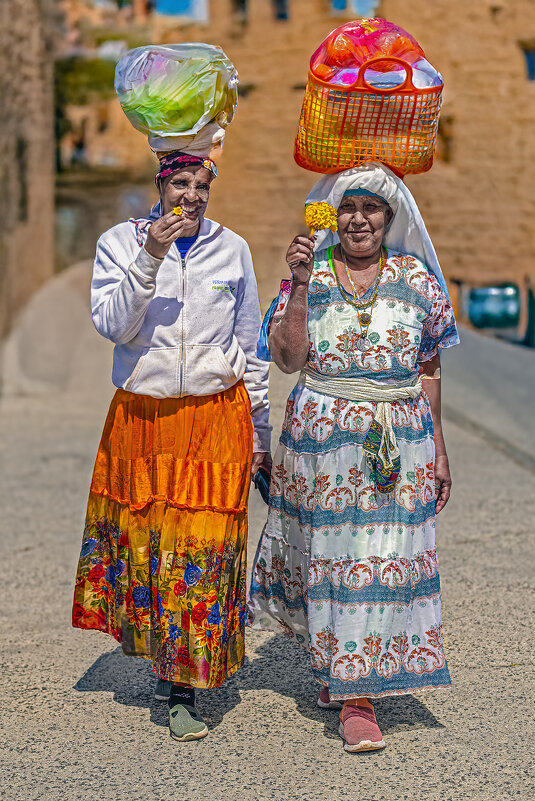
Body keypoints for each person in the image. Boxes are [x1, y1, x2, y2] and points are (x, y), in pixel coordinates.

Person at [248, 162, 459, 753]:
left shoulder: (416, 279)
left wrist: (439, 447)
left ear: (389, 219)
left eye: (370, 209)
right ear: (332, 216)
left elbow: (430, 365)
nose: (358, 220)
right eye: (348, 209)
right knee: (335, 557)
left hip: (398, 442)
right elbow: (287, 359)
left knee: (381, 557)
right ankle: (347, 676)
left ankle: (356, 692)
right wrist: (295, 283)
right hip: (322, 447)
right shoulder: (309, 273)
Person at [73, 150, 271, 742]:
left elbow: (251, 346)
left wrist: (260, 430)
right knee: (152, 542)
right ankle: (167, 657)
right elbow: (112, 325)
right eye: (180, 183)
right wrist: (150, 256)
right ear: (159, 185)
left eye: (201, 185)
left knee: (202, 545)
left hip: (216, 415)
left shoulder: (231, 249)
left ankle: (185, 685)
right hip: (145, 417)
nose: (191, 195)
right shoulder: (119, 242)